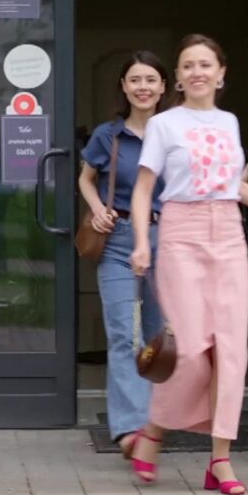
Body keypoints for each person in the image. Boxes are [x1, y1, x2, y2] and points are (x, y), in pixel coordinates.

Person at [127, 34, 248, 495]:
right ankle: (153, 431)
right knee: (189, 351)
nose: (196, 72)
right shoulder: (164, 125)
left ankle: (220, 460)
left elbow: (234, 186)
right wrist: (140, 243)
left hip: (229, 237)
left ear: (221, 74)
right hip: (181, 234)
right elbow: (143, 189)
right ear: (178, 77)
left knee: (230, 353)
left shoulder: (229, 122)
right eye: (188, 66)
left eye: (205, 65)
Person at [78, 50, 171, 458]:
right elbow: (86, 178)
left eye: (150, 79)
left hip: (167, 239)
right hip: (118, 240)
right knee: (123, 334)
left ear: (163, 86)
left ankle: (154, 420)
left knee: (157, 336)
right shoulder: (108, 135)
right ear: (124, 86)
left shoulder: (176, 132)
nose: (143, 87)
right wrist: (98, 208)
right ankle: (131, 429)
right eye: (135, 80)